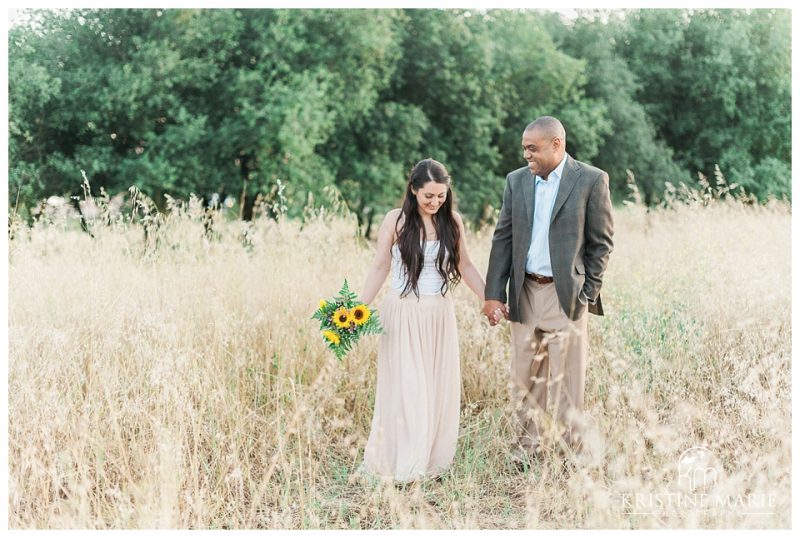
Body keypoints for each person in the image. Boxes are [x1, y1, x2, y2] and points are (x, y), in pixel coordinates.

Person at [483, 116, 613, 463]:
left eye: (532, 148)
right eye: (525, 148)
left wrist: (586, 293)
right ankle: (526, 451)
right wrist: (493, 293)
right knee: (526, 378)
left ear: (556, 144)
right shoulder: (516, 182)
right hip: (524, 292)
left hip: (566, 296)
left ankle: (574, 456)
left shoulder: (590, 180)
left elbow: (601, 244)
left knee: (569, 382)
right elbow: (503, 237)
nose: (526, 155)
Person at [357, 158, 486, 482]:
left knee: (436, 388)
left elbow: (466, 265)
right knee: (408, 389)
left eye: (441, 196)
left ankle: (430, 461)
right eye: (428, 196)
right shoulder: (395, 220)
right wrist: (355, 310)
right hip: (402, 313)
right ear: (413, 190)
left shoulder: (451, 221)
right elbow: (379, 267)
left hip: (439, 314)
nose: (435, 202)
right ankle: (405, 465)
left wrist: (490, 299)